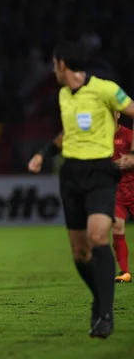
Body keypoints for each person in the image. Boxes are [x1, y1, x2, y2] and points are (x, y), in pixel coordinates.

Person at [27, 40, 134, 339]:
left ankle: (107, 314)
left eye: (53, 64)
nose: (52, 69)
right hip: (70, 174)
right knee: (79, 252)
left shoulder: (106, 89)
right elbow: (67, 134)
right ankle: (99, 298)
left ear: (63, 64)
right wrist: (43, 153)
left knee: (100, 236)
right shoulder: (63, 95)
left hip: (100, 171)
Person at [29, 113, 132, 284]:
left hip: (132, 187)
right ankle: (125, 272)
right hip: (115, 190)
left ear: (119, 113)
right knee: (117, 226)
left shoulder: (129, 135)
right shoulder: (98, 136)